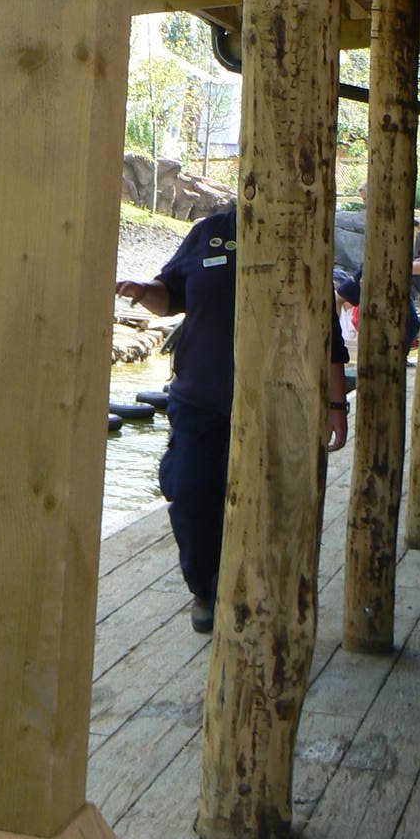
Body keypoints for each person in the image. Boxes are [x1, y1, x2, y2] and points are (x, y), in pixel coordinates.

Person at [116, 203, 348, 634]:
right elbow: (171, 295)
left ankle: (264, 594)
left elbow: (327, 332)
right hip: (199, 401)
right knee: (189, 494)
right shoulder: (209, 232)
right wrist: (145, 291)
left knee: (273, 502)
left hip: (276, 404)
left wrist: (336, 406)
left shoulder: (300, 234)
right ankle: (205, 589)